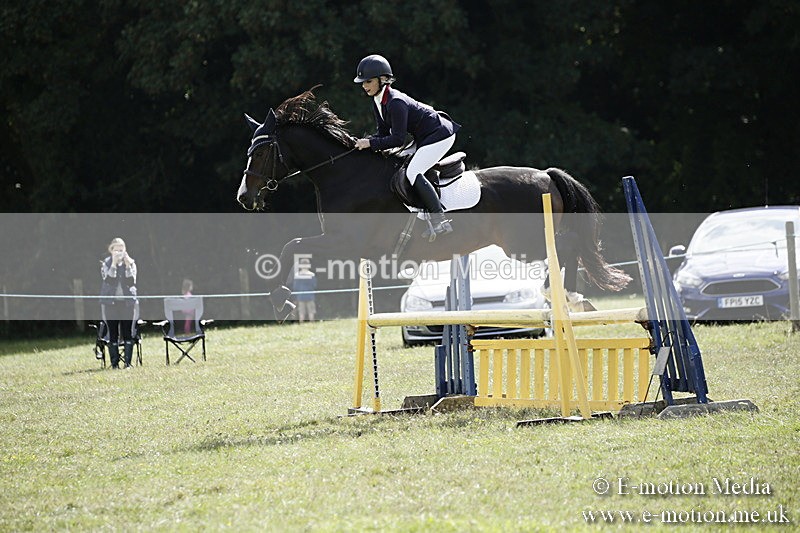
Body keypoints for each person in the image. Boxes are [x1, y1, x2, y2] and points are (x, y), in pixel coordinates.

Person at [353, 54, 460, 240]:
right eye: (362, 82)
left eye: (368, 81)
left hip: (440, 134)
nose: (364, 85)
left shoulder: (395, 102)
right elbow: (382, 134)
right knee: (397, 163)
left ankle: (439, 220)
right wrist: (363, 143)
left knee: (412, 172)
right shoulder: (379, 101)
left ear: (383, 79)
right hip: (424, 136)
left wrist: (370, 143)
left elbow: (396, 139)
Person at [99, 237, 137, 368]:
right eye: (117, 250)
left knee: (127, 332)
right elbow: (108, 281)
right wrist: (114, 264)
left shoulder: (131, 263)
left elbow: (131, 282)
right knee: (113, 333)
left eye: (122, 250)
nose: (119, 252)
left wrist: (127, 265)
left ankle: (128, 363)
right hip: (111, 304)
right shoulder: (106, 263)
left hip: (127, 304)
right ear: (111, 250)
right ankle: (114, 364)